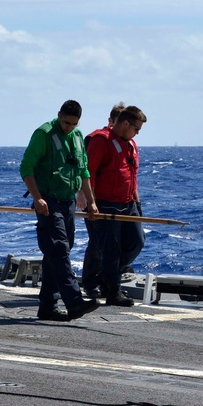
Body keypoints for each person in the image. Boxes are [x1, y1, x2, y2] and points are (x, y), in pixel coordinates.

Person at [19, 100, 101, 321]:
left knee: (56, 254)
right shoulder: (43, 134)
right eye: (66, 122)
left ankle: (47, 306)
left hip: (68, 202)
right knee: (59, 248)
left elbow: (83, 171)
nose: (69, 127)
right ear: (58, 115)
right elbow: (26, 167)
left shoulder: (77, 137)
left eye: (74, 124)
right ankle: (74, 302)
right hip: (48, 201)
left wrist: (91, 202)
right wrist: (37, 198)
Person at [85, 105, 147, 307]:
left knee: (137, 241)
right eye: (136, 128)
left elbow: (132, 176)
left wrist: (137, 202)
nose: (137, 133)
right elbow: (89, 174)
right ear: (126, 123)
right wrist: (91, 203)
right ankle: (113, 292)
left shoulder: (131, 144)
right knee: (111, 249)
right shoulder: (101, 140)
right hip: (106, 204)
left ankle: (105, 276)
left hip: (128, 203)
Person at [78, 103, 123, 298]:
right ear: (111, 120)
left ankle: (107, 276)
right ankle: (89, 282)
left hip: (117, 201)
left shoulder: (125, 143)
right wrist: (86, 198)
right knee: (96, 242)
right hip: (94, 199)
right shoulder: (97, 139)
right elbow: (86, 171)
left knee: (122, 243)